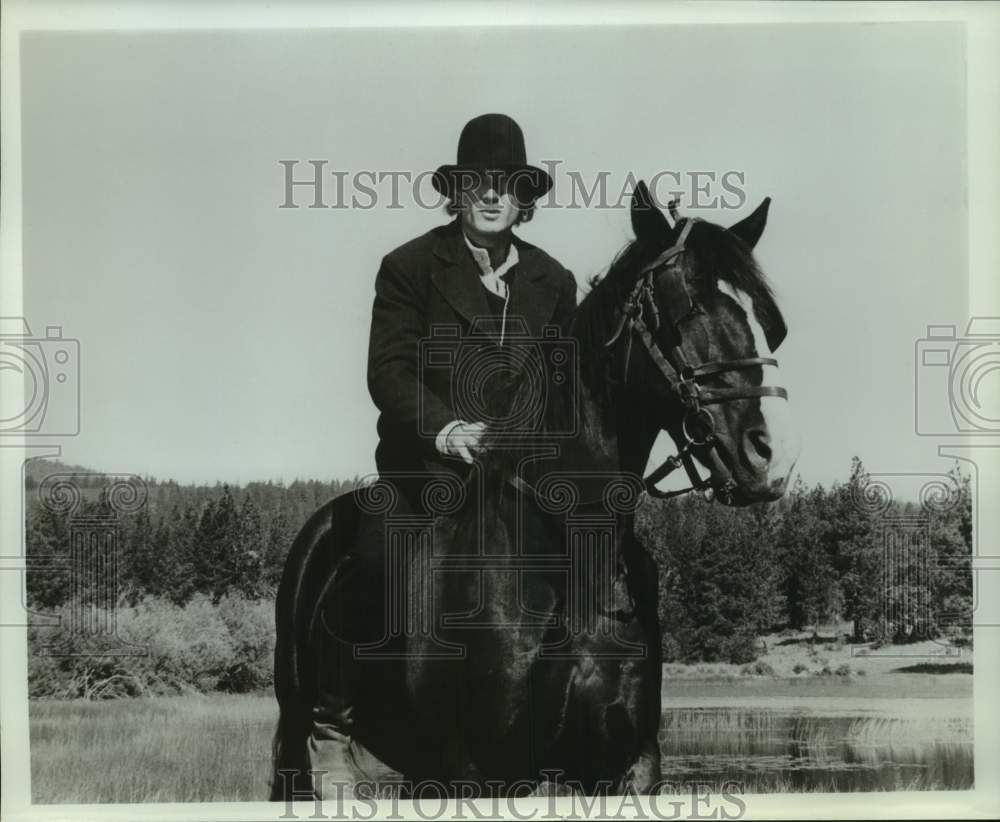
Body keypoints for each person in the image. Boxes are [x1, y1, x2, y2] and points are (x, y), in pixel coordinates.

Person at [367, 113, 577, 514]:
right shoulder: (408, 266)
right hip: (423, 475)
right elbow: (389, 371)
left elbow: (565, 390)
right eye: (477, 181)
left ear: (524, 199)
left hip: (524, 483)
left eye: (507, 184)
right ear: (458, 193)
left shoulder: (555, 281)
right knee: (379, 563)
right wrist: (449, 432)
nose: (492, 195)